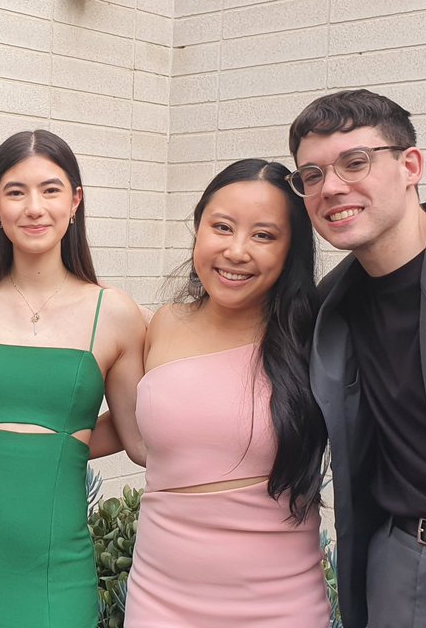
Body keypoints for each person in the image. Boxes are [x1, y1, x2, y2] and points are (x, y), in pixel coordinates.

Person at [0, 129, 145, 628]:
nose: (34, 207)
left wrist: (65, 440)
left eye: (51, 189)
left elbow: (139, 441)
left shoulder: (117, 313)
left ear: (76, 201)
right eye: (15, 191)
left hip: (56, 558)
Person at [291, 89, 426, 628]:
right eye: (311, 175)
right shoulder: (335, 300)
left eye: (354, 162)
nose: (331, 187)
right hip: (396, 562)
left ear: (411, 165)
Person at [123, 159, 329, 627]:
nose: (236, 251)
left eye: (263, 235)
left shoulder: (315, 338)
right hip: (159, 599)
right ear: (198, 228)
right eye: (221, 227)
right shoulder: (163, 324)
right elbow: (132, 435)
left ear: (290, 249)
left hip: (280, 604)